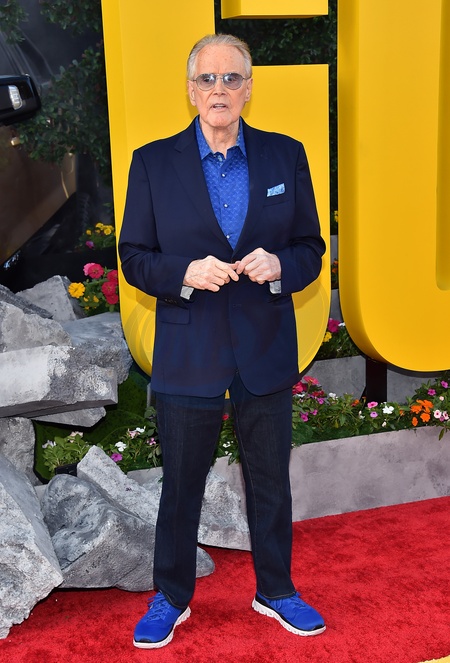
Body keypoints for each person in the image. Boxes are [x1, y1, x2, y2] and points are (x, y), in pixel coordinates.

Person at [119, 33, 326, 649]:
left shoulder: (286, 155)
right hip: (190, 351)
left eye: (231, 78)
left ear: (248, 88)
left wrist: (281, 265)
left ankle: (276, 590)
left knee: (270, 481)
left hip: (265, 347)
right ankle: (171, 596)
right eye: (207, 79)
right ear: (191, 90)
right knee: (181, 484)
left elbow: (311, 248)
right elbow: (134, 256)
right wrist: (184, 272)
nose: (219, 90)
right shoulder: (152, 163)